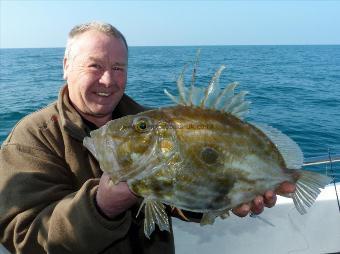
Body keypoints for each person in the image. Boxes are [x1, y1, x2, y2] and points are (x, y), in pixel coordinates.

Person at [0, 21, 296, 254]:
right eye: (95, 66)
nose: (108, 79)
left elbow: (177, 187)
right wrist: (101, 205)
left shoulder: (150, 122)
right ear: (66, 66)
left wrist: (223, 197)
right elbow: (23, 236)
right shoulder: (31, 138)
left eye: (118, 68)